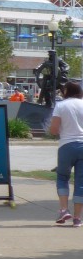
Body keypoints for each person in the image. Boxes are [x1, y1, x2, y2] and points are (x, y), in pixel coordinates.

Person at [49, 80, 83, 226]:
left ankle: (64, 210)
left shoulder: (61, 105)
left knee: (62, 177)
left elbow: (54, 129)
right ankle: (77, 218)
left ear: (66, 92)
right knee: (81, 183)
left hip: (67, 145)